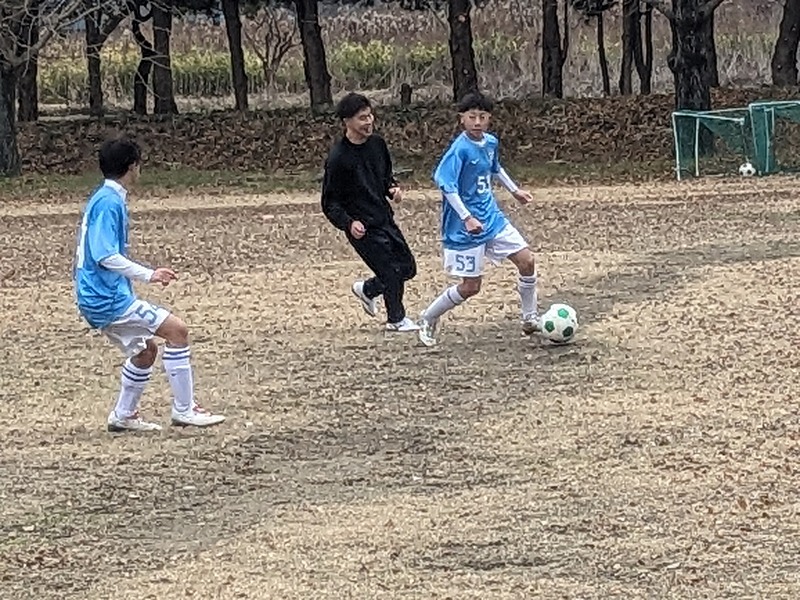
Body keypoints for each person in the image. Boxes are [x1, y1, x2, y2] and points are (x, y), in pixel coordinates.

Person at [73, 136, 226, 432]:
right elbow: (105, 255)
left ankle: (123, 414)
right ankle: (185, 410)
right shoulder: (108, 202)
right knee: (177, 331)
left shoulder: (106, 198)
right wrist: (148, 274)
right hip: (106, 299)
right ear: (132, 167)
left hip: (100, 296)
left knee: (145, 351)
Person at [417, 92, 540, 347]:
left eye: (482, 117)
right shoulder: (459, 150)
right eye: (472, 117)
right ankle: (428, 317)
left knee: (527, 261)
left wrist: (514, 190)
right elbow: (446, 185)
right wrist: (467, 217)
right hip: (465, 227)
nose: (477, 122)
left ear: (489, 119)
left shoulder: (491, 142)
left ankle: (530, 318)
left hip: (491, 218)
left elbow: (495, 168)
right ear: (461, 119)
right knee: (471, 287)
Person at [321, 92, 419, 332]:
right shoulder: (338, 158)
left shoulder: (377, 144)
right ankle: (396, 320)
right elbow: (329, 202)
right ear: (347, 122)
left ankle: (367, 290)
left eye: (369, 116)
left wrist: (392, 188)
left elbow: (385, 176)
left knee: (407, 267)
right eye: (362, 118)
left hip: (383, 217)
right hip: (362, 227)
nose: (368, 122)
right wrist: (348, 223)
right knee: (390, 271)